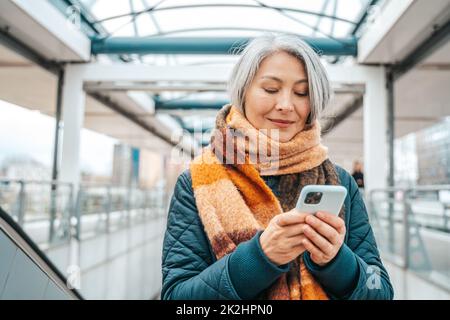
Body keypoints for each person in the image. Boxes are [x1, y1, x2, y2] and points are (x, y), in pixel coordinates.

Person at [161, 34, 393, 300]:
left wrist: (337, 261)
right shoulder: (194, 182)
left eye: (302, 93)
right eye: (271, 89)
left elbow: (381, 290)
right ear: (242, 92)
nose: (285, 105)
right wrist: (260, 258)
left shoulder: (339, 181)